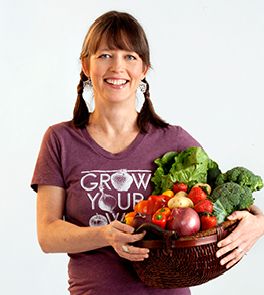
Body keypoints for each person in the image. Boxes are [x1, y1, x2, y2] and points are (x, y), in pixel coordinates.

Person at [31, 11, 264, 295]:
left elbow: (219, 201)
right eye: (105, 55)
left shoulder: (175, 141)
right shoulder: (60, 140)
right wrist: (105, 235)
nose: (117, 67)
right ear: (85, 65)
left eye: (130, 56)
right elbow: (47, 235)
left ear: (143, 69)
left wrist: (259, 223)